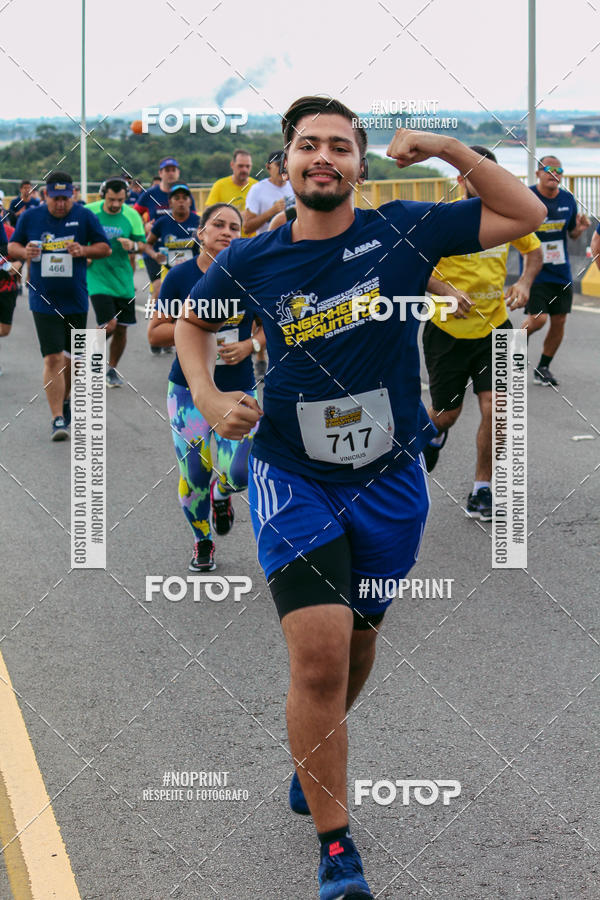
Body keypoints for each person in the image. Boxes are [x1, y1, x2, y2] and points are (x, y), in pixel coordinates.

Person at [175, 95, 545, 899]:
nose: (324, 157)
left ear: (359, 165)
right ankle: (337, 847)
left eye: (341, 146)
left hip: (389, 479)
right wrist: (205, 396)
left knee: (362, 643)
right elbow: (193, 326)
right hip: (291, 472)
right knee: (319, 656)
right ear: (286, 163)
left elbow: (527, 211)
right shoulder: (254, 259)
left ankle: (312, 760)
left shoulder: (406, 230)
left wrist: (447, 145)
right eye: (309, 145)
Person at [421, 146, 543, 520]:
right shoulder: (440, 219)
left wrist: (524, 282)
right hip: (447, 332)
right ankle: (434, 433)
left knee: (498, 409)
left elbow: (534, 252)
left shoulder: (506, 217)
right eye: (474, 174)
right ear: (460, 179)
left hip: (495, 329)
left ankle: (482, 488)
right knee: (446, 415)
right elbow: (412, 265)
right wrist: (445, 292)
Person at [148, 203, 264, 571]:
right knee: (195, 473)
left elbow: (270, 327)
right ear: (200, 232)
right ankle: (202, 541)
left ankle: (222, 493)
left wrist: (250, 345)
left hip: (239, 386)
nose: (226, 232)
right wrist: (196, 327)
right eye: (218, 225)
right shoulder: (179, 277)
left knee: (241, 474)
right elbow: (156, 332)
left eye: (234, 227)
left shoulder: (252, 276)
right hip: (187, 391)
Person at [8, 171, 110, 440]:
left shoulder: (85, 216)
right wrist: (24, 252)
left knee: (73, 361)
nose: (61, 204)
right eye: (56, 199)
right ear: (45, 196)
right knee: (53, 358)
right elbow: (12, 246)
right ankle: (57, 419)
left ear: (73, 195)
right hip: (43, 299)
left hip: (75, 299)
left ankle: (65, 400)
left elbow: (104, 247)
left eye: (66, 198)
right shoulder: (31, 217)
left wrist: (84, 250)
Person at [522, 155, 590, 386]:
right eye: (549, 169)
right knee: (538, 320)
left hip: (561, 271)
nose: (555, 174)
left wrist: (579, 229)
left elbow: (571, 233)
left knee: (559, 321)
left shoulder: (568, 199)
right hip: (535, 271)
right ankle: (513, 348)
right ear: (538, 173)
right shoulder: (527, 196)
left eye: (559, 170)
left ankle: (543, 368)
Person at [86, 176, 147, 387]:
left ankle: (111, 369)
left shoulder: (132, 216)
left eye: (120, 200)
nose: (115, 204)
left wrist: (134, 245)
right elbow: (75, 236)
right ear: (103, 195)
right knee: (108, 323)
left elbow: (143, 244)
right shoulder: (90, 211)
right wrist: (85, 252)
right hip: (96, 275)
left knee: (122, 328)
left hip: (122, 278)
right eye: (111, 199)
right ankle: (92, 356)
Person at [134, 158, 194, 310]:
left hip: (179, 249)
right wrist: (143, 226)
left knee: (182, 294)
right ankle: (156, 325)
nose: (171, 173)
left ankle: (176, 328)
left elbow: (192, 222)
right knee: (160, 289)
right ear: (160, 173)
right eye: (167, 170)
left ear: (178, 172)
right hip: (155, 250)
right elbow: (133, 216)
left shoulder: (186, 195)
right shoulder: (150, 195)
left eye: (174, 170)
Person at [145, 183, 200, 272]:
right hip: (168, 272)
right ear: (170, 203)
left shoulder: (199, 222)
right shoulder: (162, 222)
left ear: (190, 202)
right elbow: (147, 244)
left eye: (185, 198)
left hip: (194, 271)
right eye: (177, 198)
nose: (181, 201)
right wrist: (154, 255)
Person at [205, 149, 257, 237]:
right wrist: (238, 216)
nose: (244, 170)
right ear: (232, 165)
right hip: (227, 242)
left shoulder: (256, 186)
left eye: (247, 166)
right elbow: (209, 215)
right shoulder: (219, 185)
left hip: (250, 243)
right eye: (240, 166)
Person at [243, 150, 295, 235]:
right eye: (278, 165)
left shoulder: (296, 186)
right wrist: (271, 212)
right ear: (268, 167)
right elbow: (247, 228)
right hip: (268, 244)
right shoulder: (257, 190)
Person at [0, 218, 22, 376]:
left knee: (4, 330)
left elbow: (22, 251)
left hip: (8, 287)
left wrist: (20, 263)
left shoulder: (10, 232)